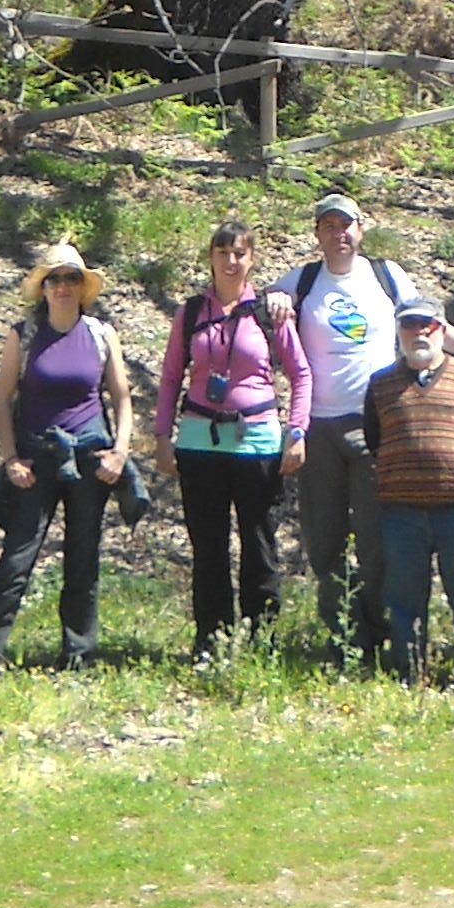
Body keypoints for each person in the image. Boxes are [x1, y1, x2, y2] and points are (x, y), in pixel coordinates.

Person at [0, 243, 134, 675]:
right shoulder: (24, 334)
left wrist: (120, 451)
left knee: (83, 557)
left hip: (89, 457)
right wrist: (11, 458)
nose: (62, 287)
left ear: (83, 287)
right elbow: (2, 401)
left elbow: (122, 396)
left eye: (70, 278)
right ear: (42, 287)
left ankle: (78, 654)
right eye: (54, 279)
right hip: (37, 458)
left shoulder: (100, 334)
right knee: (17, 558)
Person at [275, 190, 423, 670]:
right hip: (319, 427)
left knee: (378, 539)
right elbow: (260, 308)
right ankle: (342, 636)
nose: (339, 234)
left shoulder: (387, 276)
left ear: (362, 228)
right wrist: (274, 298)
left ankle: (378, 633)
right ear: (317, 233)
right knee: (325, 542)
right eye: (328, 226)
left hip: (376, 425)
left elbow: (427, 327)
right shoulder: (303, 280)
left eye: (347, 225)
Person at [153, 217, 311, 660]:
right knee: (208, 549)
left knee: (259, 546)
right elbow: (169, 378)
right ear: (211, 258)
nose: (231, 261)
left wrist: (297, 431)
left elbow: (300, 373)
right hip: (199, 442)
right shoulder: (191, 314)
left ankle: (262, 642)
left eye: (239, 252)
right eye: (222, 253)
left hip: (257, 442)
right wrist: (163, 436)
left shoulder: (269, 312)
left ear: (252, 259)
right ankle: (212, 643)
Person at [364, 301, 454, 687]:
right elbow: (375, 439)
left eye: (428, 324)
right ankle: (409, 674)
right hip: (401, 511)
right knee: (404, 600)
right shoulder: (380, 384)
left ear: (442, 330)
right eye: (410, 325)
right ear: (398, 331)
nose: (419, 332)